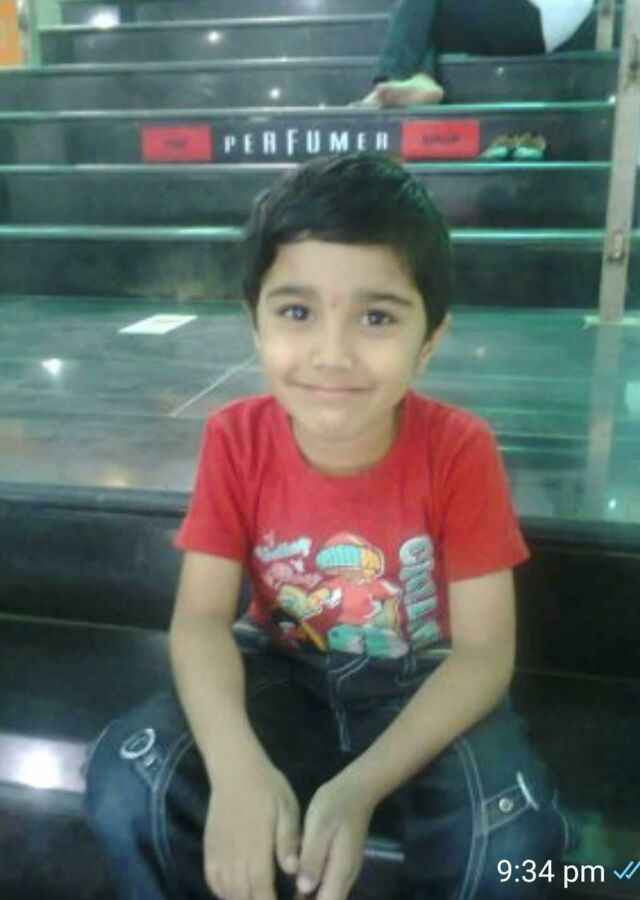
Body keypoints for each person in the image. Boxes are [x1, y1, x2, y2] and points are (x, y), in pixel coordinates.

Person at [84, 152, 579, 900]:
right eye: (296, 311)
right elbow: (200, 620)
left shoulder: (459, 449)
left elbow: (483, 655)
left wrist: (359, 788)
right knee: (127, 779)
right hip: (283, 670)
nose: (332, 354)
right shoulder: (235, 438)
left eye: (377, 317)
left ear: (430, 339)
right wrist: (236, 768)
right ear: (254, 323)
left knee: (512, 836)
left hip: (422, 681)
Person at [354, 0, 596, 107]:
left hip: (536, 12)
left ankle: (393, 79)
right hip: (541, 21)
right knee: (431, 15)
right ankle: (421, 78)